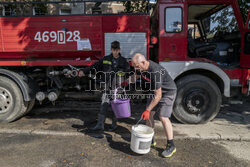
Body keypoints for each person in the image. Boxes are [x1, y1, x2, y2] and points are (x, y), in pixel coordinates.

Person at [123, 53, 177, 158]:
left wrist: (147, 110)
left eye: (136, 66)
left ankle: (171, 145)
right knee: (150, 116)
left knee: (163, 117)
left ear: (143, 62)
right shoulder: (140, 67)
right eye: (134, 66)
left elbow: (159, 96)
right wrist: (124, 83)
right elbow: (136, 76)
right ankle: (150, 138)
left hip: (168, 92)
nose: (135, 68)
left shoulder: (155, 71)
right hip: (155, 92)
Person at [78, 41, 130, 132]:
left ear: (119, 50)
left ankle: (114, 125)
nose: (115, 52)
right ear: (111, 49)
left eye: (117, 50)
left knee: (116, 108)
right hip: (106, 88)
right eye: (114, 50)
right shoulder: (105, 59)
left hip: (117, 89)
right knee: (103, 106)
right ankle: (100, 125)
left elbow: (128, 74)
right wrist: (84, 71)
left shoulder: (124, 61)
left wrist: (123, 84)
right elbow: (95, 67)